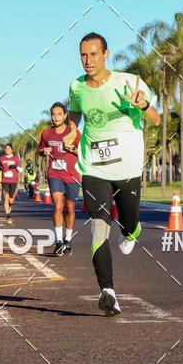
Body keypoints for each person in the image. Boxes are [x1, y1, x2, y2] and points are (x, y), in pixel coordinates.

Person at [68, 32, 160, 316]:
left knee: (129, 221)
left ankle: (132, 231)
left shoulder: (129, 82)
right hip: (93, 167)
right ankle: (107, 291)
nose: (87, 60)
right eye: (83, 55)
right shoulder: (76, 87)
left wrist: (142, 105)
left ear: (106, 54)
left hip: (128, 166)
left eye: (93, 54)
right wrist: (72, 131)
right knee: (99, 226)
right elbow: (75, 113)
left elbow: (156, 119)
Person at [38, 102, 81, 257]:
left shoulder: (74, 133)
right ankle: (58, 242)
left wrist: (72, 149)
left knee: (70, 208)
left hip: (71, 175)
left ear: (65, 115)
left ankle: (68, 240)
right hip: (54, 173)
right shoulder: (46, 134)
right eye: (53, 114)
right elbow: (40, 150)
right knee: (57, 206)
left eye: (59, 114)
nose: (56, 117)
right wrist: (44, 151)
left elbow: (83, 153)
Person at [0, 143, 23, 225]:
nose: (7, 149)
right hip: (5, 181)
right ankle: (8, 216)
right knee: (6, 198)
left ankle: (10, 206)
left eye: (8, 148)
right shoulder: (1, 158)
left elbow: (21, 170)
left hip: (14, 181)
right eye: (6, 148)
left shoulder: (16, 158)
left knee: (11, 200)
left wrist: (15, 166)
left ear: (12, 150)